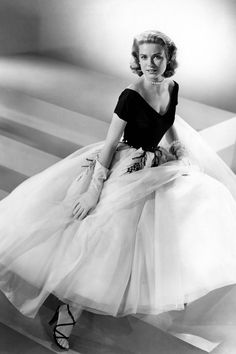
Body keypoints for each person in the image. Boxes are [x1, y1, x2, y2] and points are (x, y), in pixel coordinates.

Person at [0, 30, 236, 351]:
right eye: (144, 57)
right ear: (137, 61)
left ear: (168, 59)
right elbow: (110, 145)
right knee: (105, 235)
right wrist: (94, 189)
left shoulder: (171, 87)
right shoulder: (130, 95)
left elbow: (169, 121)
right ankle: (67, 314)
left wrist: (178, 147)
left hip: (155, 163)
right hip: (124, 165)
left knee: (191, 204)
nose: (151, 63)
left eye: (157, 57)